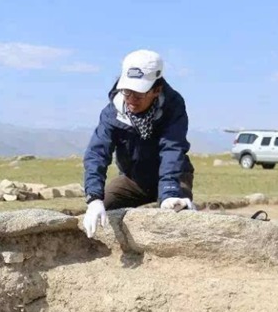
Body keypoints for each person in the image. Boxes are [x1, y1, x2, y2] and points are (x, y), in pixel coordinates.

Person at [82, 49, 196, 238]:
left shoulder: (173, 105)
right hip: (133, 179)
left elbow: (172, 149)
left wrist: (169, 192)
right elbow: (97, 154)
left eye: (139, 94)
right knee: (102, 213)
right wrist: (94, 198)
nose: (131, 100)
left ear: (156, 90)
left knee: (177, 216)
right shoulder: (112, 113)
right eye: (127, 92)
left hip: (174, 175)